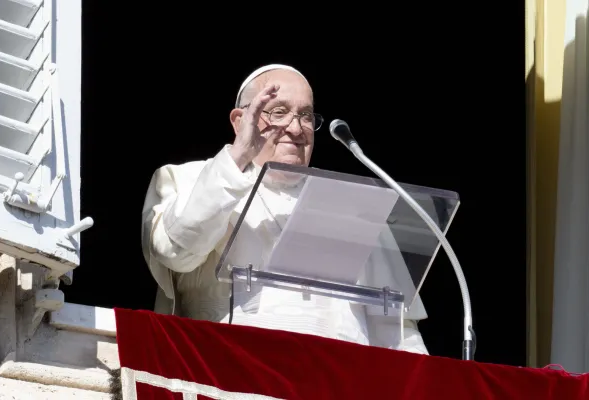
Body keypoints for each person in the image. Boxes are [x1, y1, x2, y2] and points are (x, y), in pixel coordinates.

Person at [141, 64, 429, 354]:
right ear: (240, 121)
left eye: (305, 115)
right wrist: (239, 156)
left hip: (343, 378)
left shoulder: (351, 203)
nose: (295, 128)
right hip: (236, 368)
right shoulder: (190, 179)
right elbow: (175, 253)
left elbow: (396, 324)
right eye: (278, 112)